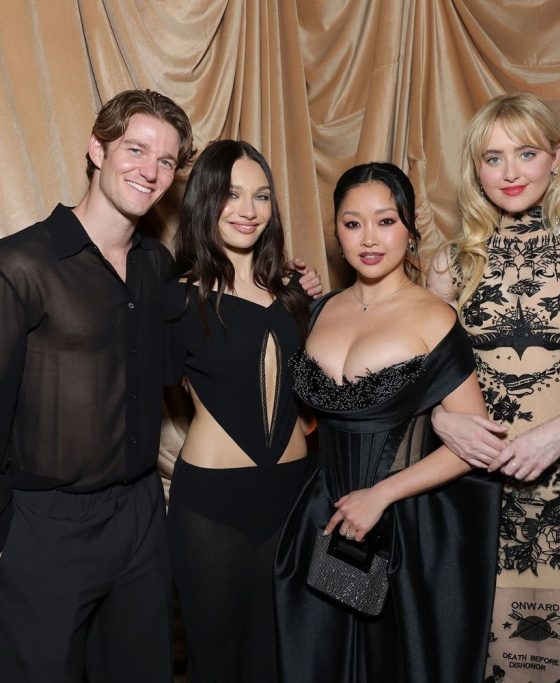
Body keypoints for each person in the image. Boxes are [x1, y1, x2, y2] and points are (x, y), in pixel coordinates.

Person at [0, 89, 194, 680]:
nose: (150, 171)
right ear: (96, 148)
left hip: (138, 516)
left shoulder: (155, 266)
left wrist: (285, 290)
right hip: (44, 527)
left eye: (166, 161)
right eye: (136, 149)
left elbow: (184, 355)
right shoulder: (15, 267)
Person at [426, 93, 560, 682]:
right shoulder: (451, 264)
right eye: (493, 158)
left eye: (525, 153)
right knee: (479, 656)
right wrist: (443, 422)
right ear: (476, 171)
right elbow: (419, 378)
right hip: (471, 488)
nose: (510, 172)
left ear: (557, 159)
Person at [274, 162, 502, 682]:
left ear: (409, 228)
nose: (369, 239)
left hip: (407, 527)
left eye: (385, 221)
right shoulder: (321, 310)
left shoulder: (434, 317)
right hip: (323, 519)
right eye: (353, 224)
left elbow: (473, 444)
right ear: (336, 231)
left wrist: (380, 496)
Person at [164, 139, 314, 681]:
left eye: (262, 196)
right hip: (211, 507)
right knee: (218, 662)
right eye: (232, 194)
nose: (249, 210)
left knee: (284, 657)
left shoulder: (296, 294)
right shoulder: (177, 299)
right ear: (206, 200)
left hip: (295, 496)